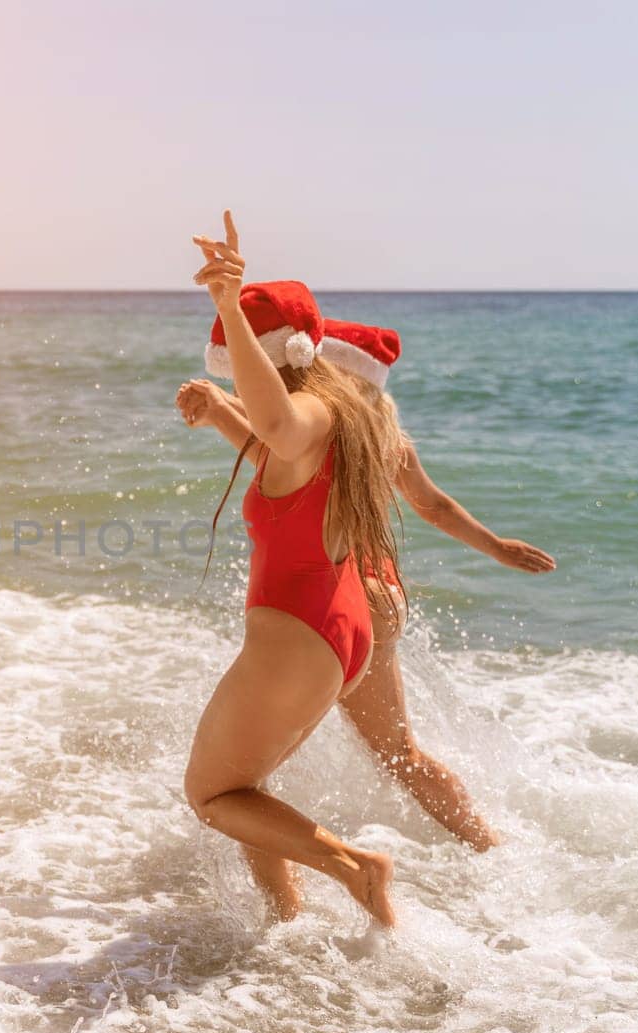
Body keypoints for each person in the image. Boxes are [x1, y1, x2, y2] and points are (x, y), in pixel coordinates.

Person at [179, 320, 555, 854]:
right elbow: (435, 506)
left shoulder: (332, 432)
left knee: (243, 776)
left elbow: (272, 452)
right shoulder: (385, 439)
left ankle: (296, 903)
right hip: (381, 598)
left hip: (341, 597)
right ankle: (488, 847)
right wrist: (496, 546)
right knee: (402, 754)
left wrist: (221, 410)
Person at [177, 211, 406, 927]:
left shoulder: (308, 408)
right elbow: (281, 462)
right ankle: (285, 919)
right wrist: (221, 413)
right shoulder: (332, 413)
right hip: (331, 628)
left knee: (213, 793)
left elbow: (279, 427)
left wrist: (226, 305)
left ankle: (357, 868)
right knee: (248, 786)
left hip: (297, 634)